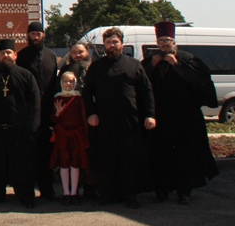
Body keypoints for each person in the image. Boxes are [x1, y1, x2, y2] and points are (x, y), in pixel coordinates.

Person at [142, 20, 219, 205]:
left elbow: (202, 84)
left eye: (167, 40)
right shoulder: (151, 60)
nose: (164, 44)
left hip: (185, 118)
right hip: (160, 118)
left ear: (174, 42)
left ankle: (184, 192)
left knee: (185, 156)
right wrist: (151, 66)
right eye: (161, 41)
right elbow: (140, 83)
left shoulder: (188, 59)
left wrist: (177, 66)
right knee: (159, 156)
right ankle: (161, 191)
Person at [84, 26, 156, 209]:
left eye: (115, 42)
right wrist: (91, 113)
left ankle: (130, 195)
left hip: (130, 121)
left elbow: (146, 91)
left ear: (121, 44)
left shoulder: (133, 65)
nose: (111, 46)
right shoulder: (97, 67)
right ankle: (108, 194)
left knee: (129, 159)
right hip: (105, 121)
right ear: (104, 45)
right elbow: (87, 93)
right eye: (108, 43)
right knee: (106, 158)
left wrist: (150, 115)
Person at [0, 39, 41, 209]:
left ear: (15, 54)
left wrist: (32, 127)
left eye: (8, 53)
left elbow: (35, 102)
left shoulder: (26, 75)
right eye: (2, 53)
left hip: (19, 130)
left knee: (21, 165)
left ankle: (25, 196)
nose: (6, 56)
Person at [17, 21, 59, 201]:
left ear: (44, 35)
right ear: (28, 36)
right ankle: (27, 193)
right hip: (28, 113)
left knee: (46, 154)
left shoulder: (51, 56)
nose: (36, 37)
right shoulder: (22, 56)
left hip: (48, 113)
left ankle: (47, 189)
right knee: (28, 155)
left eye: (39, 34)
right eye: (33, 34)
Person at [49, 71, 88, 205]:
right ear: (61, 83)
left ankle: (74, 192)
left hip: (76, 134)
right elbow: (53, 119)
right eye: (65, 81)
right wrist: (58, 114)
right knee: (64, 163)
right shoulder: (57, 98)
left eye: (71, 81)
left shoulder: (79, 99)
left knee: (75, 163)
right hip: (63, 134)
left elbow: (83, 117)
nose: (68, 84)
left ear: (75, 83)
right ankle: (66, 192)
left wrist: (85, 134)